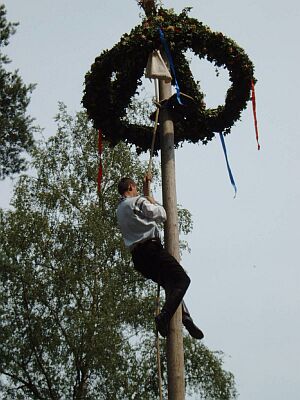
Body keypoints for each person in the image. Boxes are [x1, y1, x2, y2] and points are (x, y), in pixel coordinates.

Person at [116, 175, 204, 339]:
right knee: (182, 280)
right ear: (130, 188)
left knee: (170, 284)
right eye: (135, 189)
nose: (136, 191)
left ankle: (185, 315)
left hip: (139, 259)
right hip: (151, 250)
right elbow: (161, 214)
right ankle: (164, 317)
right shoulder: (137, 201)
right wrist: (152, 199)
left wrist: (146, 191)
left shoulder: (119, 210)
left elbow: (140, 216)